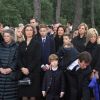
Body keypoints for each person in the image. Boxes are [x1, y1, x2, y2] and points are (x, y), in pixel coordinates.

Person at [18, 24, 41, 100]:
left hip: (33, 72)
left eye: (30, 30)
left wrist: (28, 69)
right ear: (24, 32)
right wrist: (22, 68)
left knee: (32, 95)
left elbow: (37, 58)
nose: (29, 32)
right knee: (24, 94)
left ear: (33, 32)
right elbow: (18, 58)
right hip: (23, 72)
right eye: (27, 30)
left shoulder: (37, 43)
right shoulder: (21, 44)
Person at [0, 29, 18, 100]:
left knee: (10, 96)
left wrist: (10, 68)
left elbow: (17, 59)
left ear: (11, 37)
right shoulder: (0, 46)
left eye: (8, 36)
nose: (6, 37)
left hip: (11, 76)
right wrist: (0, 68)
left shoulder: (16, 46)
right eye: (4, 36)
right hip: (1, 75)